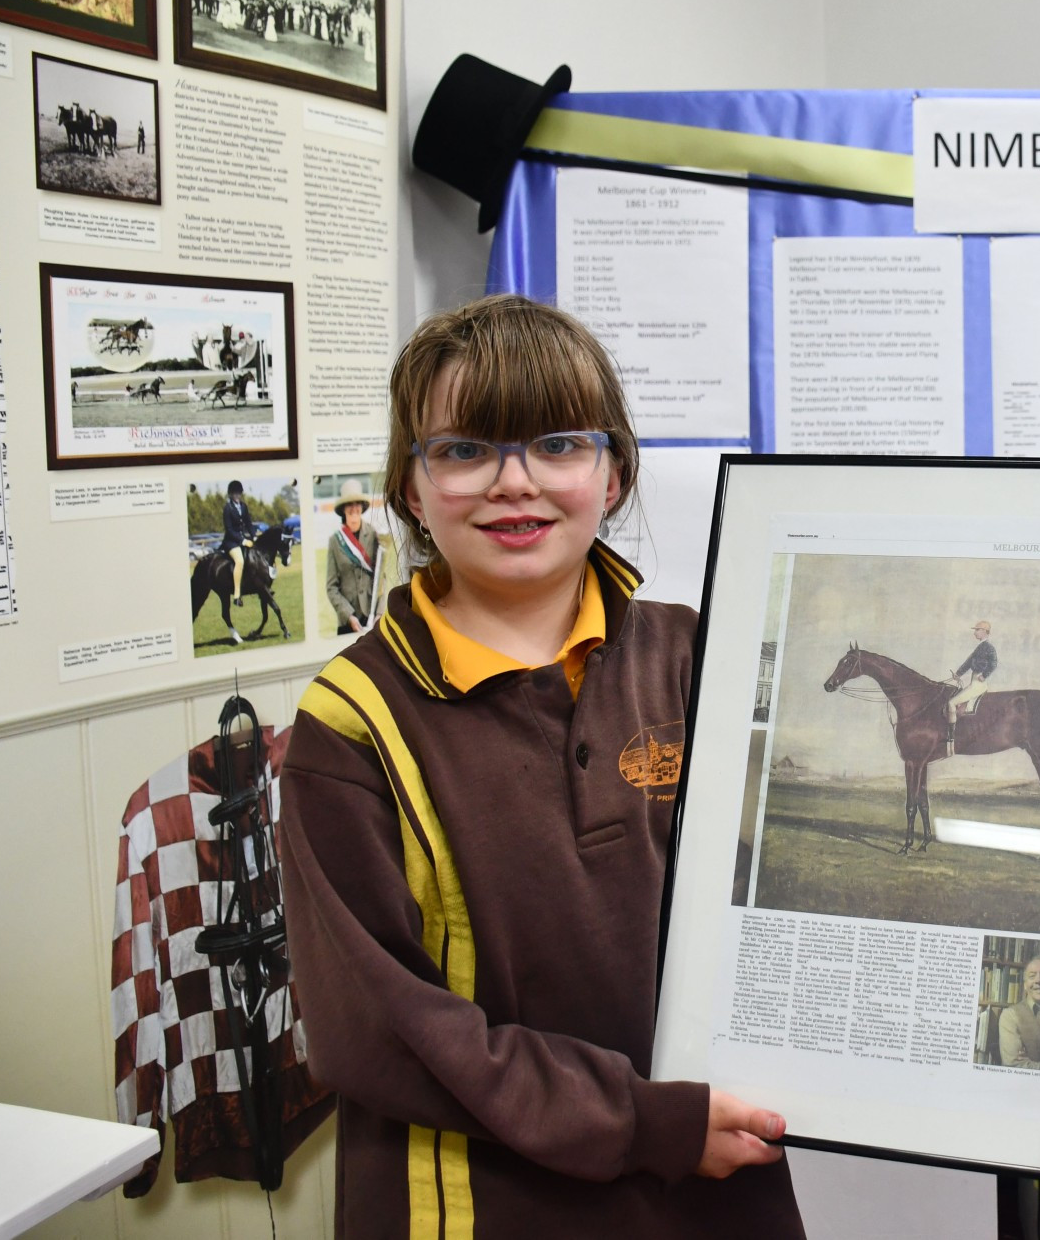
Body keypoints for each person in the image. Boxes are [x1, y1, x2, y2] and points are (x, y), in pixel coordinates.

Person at [279, 294, 802, 1236]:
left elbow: (785, 910)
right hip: (486, 1205)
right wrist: (647, 1121)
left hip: (720, 1180)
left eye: (559, 444)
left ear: (613, 474)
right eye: (465, 449)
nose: (513, 482)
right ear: (410, 485)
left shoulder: (700, 659)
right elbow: (384, 1034)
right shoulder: (352, 725)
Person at [324, 477, 379, 635]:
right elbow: (331, 587)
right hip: (348, 622)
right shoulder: (335, 541)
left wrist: (379, 613)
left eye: (357, 503)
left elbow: (381, 578)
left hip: (372, 619)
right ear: (343, 509)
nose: (354, 508)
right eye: (349, 503)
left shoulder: (374, 535)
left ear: (362, 507)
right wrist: (348, 615)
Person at [945, 619, 995, 754]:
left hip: (978, 682)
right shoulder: (980, 647)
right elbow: (968, 662)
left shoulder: (988, 647)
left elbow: (994, 664)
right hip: (974, 679)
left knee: (951, 703)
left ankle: (951, 738)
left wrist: (984, 675)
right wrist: (958, 674)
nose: (975, 633)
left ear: (984, 632)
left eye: (977, 630)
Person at [218, 479, 256, 605]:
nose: (237, 495)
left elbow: (249, 523)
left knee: (255, 556)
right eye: (234, 493)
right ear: (230, 494)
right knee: (239, 561)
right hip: (231, 542)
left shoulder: (244, 506)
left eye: (238, 493)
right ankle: (237, 595)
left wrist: (254, 536)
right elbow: (229, 530)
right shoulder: (227, 508)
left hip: (243, 539)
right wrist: (243, 540)